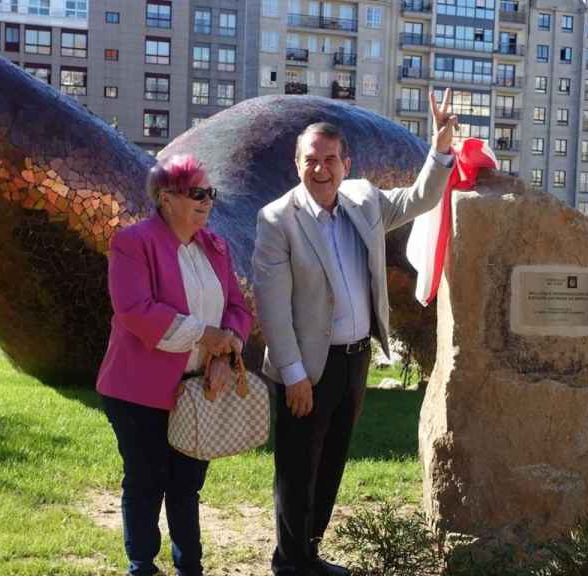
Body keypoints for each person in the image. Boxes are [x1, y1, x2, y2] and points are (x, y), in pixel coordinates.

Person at [252, 89, 457, 576]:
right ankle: (291, 563)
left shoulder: (363, 200)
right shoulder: (277, 220)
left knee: (330, 465)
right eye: (310, 160)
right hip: (305, 365)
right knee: (297, 470)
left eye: (329, 159)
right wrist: (294, 375)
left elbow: (419, 198)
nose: (320, 168)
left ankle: (309, 555)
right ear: (296, 163)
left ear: (346, 163)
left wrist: (441, 148)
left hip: (354, 359)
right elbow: (274, 309)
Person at [96, 154, 254, 576]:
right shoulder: (132, 242)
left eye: (210, 194)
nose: (206, 202)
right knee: (146, 481)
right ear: (166, 198)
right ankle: (142, 564)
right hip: (137, 390)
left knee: (187, 486)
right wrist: (207, 336)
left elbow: (238, 309)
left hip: (199, 387)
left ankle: (190, 567)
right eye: (196, 193)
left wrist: (227, 351)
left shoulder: (215, 247)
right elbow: (135, 310)